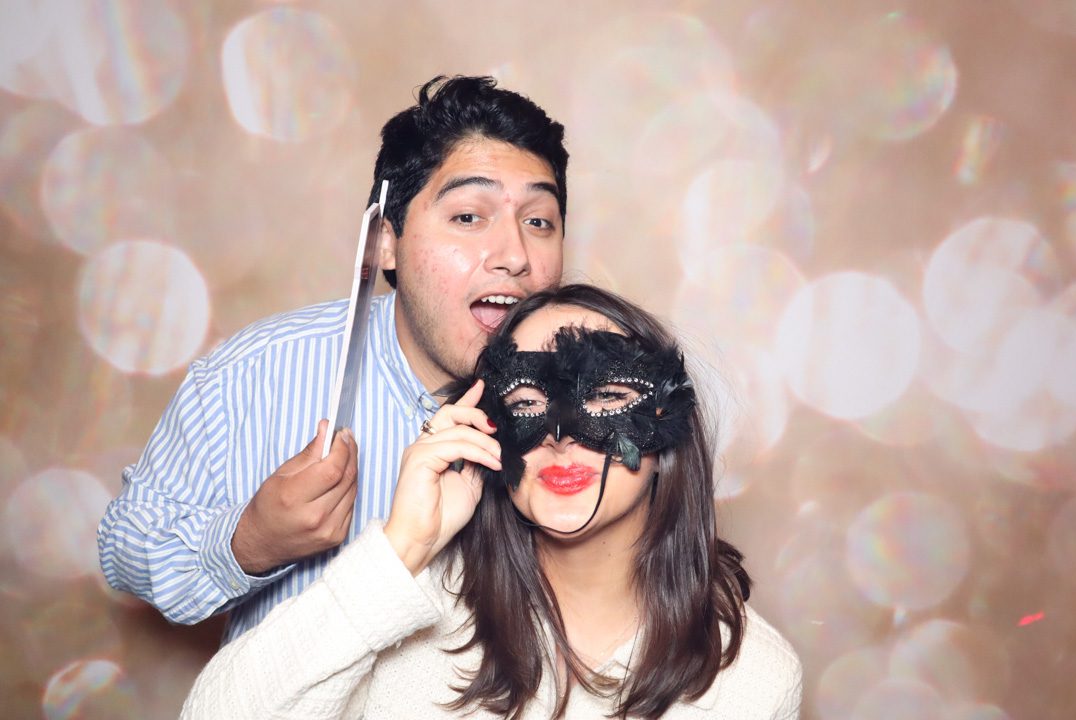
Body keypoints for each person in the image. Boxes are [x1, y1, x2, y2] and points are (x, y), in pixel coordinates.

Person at [179, 284, 803, 719]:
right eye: (527, 403)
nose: (560, 437)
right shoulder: (410, 606)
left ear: (668, 421)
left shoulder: (754, 677)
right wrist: (401, 549)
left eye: (605, 396)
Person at [97, 75, 570, 643]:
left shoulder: (603, 400)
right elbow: (125, 547)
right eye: (469, 216)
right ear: (386, 242)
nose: (515, 255)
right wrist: (250, 542)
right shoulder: (255, 374)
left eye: (539, 221)